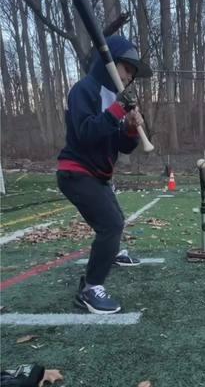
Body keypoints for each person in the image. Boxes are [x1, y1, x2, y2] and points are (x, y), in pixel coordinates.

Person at [56, 35, 152, 314]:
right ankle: (89, 290)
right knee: (110, 225)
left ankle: (106, 258)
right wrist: (118, 111)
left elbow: (120, 144)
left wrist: (131, 129)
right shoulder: (84, 90)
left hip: (98, 175)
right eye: (126, 68)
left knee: (114, 223)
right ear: (109, 63)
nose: (130, 76)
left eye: (133, 73)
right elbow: (85, 132)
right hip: (75, 172)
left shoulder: (114, 98)